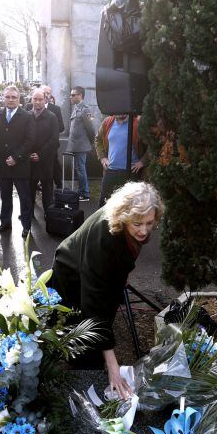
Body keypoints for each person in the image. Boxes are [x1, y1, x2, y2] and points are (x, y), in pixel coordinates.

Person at [50, 182, 164, 398]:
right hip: (72, 275)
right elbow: (95, 305)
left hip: (95, 267)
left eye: (149, 223)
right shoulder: (106, 238)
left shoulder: (130, 225)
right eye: (138, 224)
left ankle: (95, 361)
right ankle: (83, 383)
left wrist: (120, 274)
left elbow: (123, 255)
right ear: (124, 216)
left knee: (103, 317)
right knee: (84, 338)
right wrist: (112, 364)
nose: (144, 230)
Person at [0, 85, 35, 238]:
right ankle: (5, 223)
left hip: (20, 165)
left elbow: (30, 140)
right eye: (8, 97)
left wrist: (16, 158)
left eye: (14, 97)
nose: (10, 100)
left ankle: (26, 226)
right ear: (3, 98)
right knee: (5, 196)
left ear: (19, 99)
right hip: (3, 165)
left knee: (25, 197)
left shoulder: (27, 116)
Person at [95, 114, 146, 206]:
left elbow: (153, 143)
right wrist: (102, 157)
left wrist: (143, 161)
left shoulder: (138, 123)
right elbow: (98, 140)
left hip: (131, 172)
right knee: (104, 205)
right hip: (110, 171)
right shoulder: (107, 122)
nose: (121, 113)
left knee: (129, 206)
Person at [28, 88, 59, 217]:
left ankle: (48, 213)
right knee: (29, 189)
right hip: (29, 160)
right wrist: (28, 154)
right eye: (35, 99)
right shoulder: (27, 115)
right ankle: (28, 212)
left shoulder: (52, 117)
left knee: (47, 190)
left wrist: (40, 154)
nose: (38, 102)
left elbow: (53, 140)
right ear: (31, 100)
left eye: (40, 99)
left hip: (46, 160)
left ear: (45, 100)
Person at [65, 86, 95, 201]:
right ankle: (82, 191)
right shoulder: (77, 107)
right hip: (77, 145)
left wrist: (91, 143)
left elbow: (91, 129)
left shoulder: (86, 109)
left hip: (82, 146)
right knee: (79, 169)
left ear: (80, 96)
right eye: (71, 95)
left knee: (81, 170)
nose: (70, 97)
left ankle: (85, 194)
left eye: (73, 95)